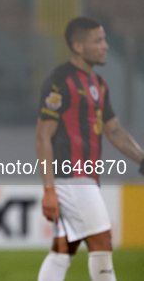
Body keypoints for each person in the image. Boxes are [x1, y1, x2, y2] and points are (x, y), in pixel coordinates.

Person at [36, 17, 144, 281]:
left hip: (85, 178)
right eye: (98, 40)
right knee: (102, 242)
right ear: (78, 46)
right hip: (71, 177)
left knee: (63, 250)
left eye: (104, 39)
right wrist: (49, 189)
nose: (105, 46)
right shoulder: (59, 81)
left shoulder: (99, 84)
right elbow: (42, 136)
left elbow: (115, 131)